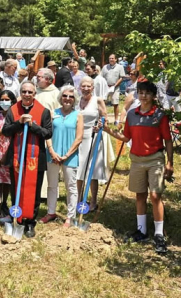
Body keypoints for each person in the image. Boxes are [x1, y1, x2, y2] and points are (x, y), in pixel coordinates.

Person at [103, 81, 172, 254]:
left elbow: (168, 140)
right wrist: (108, 131)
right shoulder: (132, 115)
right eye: (141, 92)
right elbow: (126, 138)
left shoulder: (159, 115)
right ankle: (141, 230)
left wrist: (170, 162)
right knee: (140, 195)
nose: (143, 96)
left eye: (147, 93)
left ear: (153, 96)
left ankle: (158, 234)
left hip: (155, 159)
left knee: (155, 195)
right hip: (136, 160)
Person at [1, 81, 52, 237]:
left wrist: (32, 126)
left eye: (30, 92)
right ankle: (18, 218)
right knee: (16, 188)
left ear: (34, 93)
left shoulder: (43, 112)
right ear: (20, 93)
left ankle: (30, 222)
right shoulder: (12, 110)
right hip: (16, 157)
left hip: (36, 158)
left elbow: (48, 133)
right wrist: (19, 123)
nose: (27, 95)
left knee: (34, 191)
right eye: (24, 92)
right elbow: (6, 131)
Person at [42, 85, 84, 227]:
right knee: (52, 185)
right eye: (65, 96)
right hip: (52, 154)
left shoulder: (78, 115)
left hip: (70, 156)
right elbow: (47, 133)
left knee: (71, 186)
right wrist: (52, 151)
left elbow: (79, 138)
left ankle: (70, 216)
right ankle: (51, 212)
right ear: (60, 97)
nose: (67, 99)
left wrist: (67, 155)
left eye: (71, 96)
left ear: (74, 99)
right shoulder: (53, 113)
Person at [77, 76, 108, 211]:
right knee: (79, 169)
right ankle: (78, 199)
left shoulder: (98, 100)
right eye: (83, 86)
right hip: (78, 137)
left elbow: (105, 118)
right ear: (79, 87)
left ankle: (93, 201)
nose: (85, 88)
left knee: (91, 169)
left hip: (93, 137)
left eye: (88, 86)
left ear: (93, 87)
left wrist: (101, 125)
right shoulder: (77, 100)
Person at [0, 90, 17, 223]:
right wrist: (9, 129)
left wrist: (10, 130)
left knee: (8, 182)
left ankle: (8, 210)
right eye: (2, 99)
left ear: (12, 101)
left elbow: (15, 134)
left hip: (9, 150)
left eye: (7, 99)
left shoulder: (15, 116)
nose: (5, 102)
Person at [101, 54, 126, 124]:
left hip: (115, 87)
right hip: (105, 87)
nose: (111, 60)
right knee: (103, 103)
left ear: (115, 59)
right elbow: (101, 77)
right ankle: (105, 119)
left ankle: (116, 120)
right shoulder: (105, 67)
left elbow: (121, 78)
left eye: (112, 58)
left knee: (115, 104)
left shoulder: (120, 67)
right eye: (110, 58)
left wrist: (115, 85)